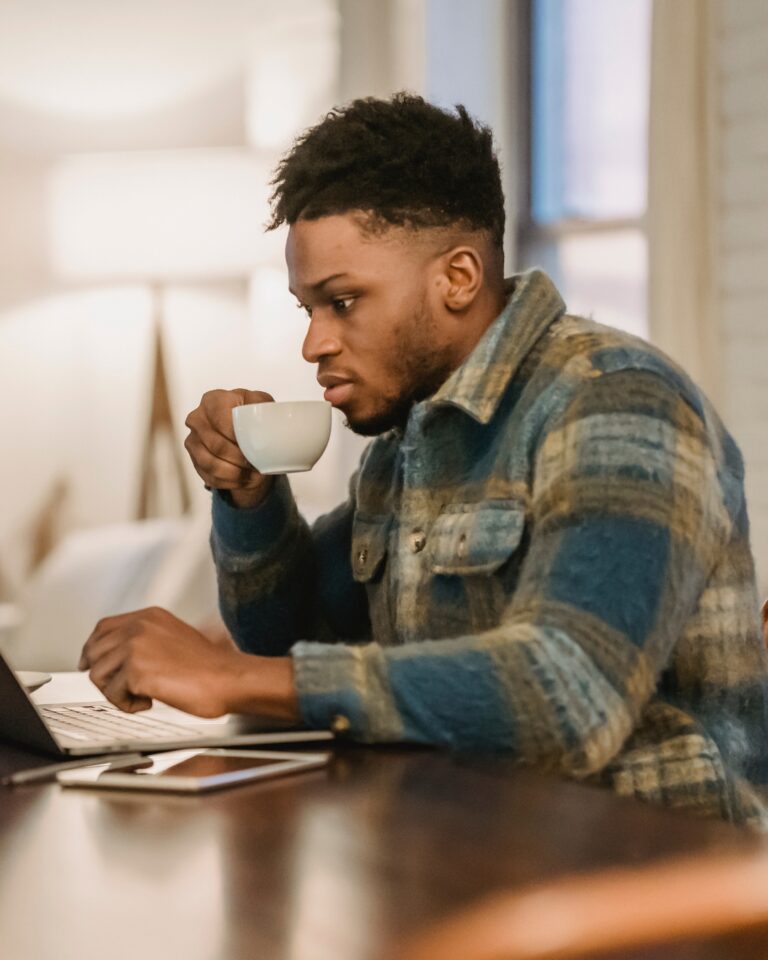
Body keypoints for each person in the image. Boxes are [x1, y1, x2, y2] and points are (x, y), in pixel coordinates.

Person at [80, 93, 768, 827]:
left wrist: (233, 676)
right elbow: (291, 639)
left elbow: (569, 696)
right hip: (463, 840)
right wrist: (250, 499)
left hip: (653, 876)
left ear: (459, 278)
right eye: (306, 309)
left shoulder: (619, 402)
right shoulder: (411, 436)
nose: (313, 343)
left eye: (342, 302)